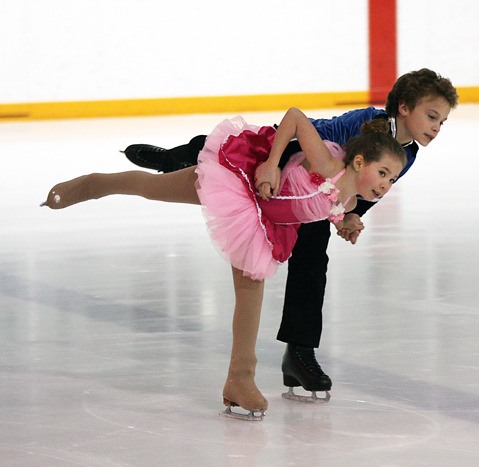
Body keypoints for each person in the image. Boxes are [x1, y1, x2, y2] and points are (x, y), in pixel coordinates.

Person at [42, 107, 407, 420]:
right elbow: (294, 118)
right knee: (154, 188)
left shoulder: (347, 201)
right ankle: (93, 184)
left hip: (266, 221)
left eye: (392, 179)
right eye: (382, 173)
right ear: (359, 161)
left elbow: (323, 207)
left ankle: (240, 380)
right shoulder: (329, 163)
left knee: (252, 284)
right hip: (241, 183)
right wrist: (270, 164)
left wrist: (346, 222)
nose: (386, 184)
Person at [122, 69, 459, 401]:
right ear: (404, 107)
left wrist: (351, 217)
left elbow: (367, 191)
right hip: (287, 156)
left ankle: (299, 353)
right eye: (432, 116)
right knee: (221, 158)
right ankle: (173, 158)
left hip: (317, 197)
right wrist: (272, 166)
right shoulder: (365, 122)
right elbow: (301, 135)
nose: (436, 127)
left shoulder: (409, 153)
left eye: (442, 121)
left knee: (313, 263)